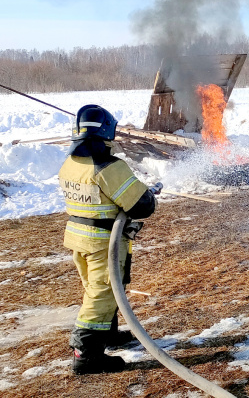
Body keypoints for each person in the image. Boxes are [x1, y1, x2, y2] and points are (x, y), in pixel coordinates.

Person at [59, 105, 157, 375]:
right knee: (102, 293)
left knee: (99, 287)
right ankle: (86, 355)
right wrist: (149, 195)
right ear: (107, 130)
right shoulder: (108, 166)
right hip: (104, 242)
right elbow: (140, 206)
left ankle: (108, 335)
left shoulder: (71, 163)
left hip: (79, 237)